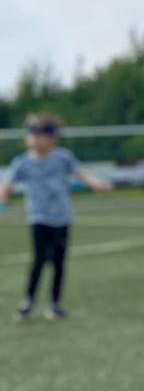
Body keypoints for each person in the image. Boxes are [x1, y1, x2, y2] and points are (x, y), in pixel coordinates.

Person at [1, 114, 111, 319]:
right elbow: (7, 184)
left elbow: (80, 173)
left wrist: (95, 183)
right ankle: (28, 301)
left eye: (38, 134)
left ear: (52, 138)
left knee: (59, 262)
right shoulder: (22, 162)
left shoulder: (62, 157)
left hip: (62, 216)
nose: (34, 139)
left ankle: (55, 304)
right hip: (39, 216)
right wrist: (2, 202)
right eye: (31, 133)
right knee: (39, 259)